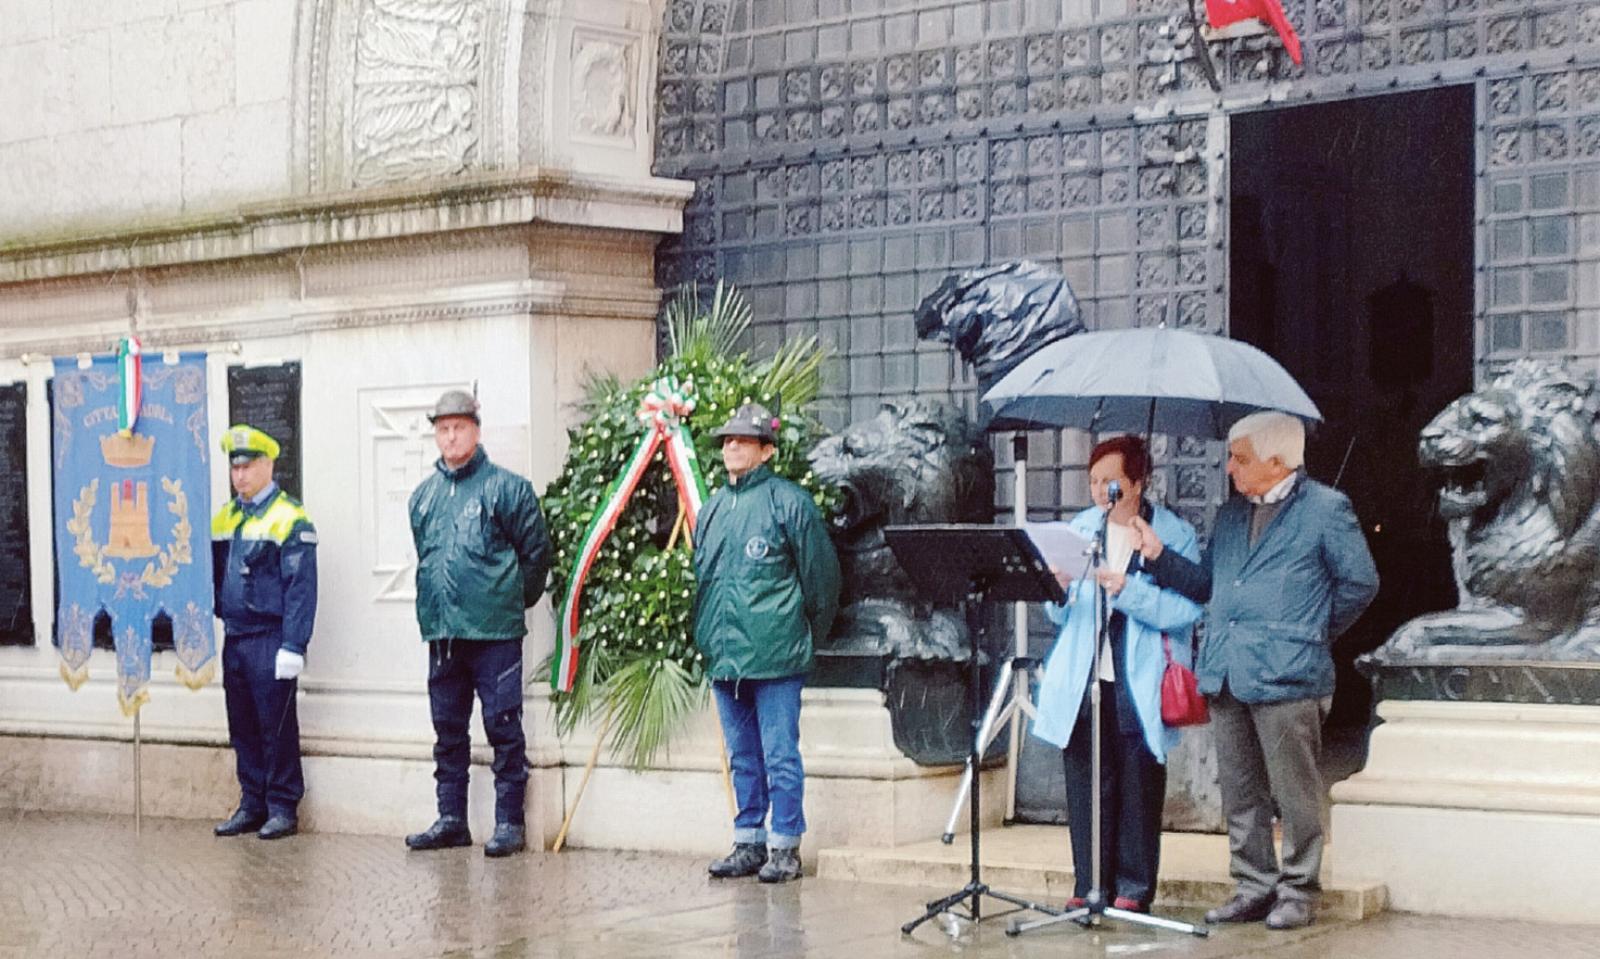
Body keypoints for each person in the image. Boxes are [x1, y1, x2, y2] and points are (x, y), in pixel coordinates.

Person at [1133, 411, 1378, 930]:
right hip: (1227, 670)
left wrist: (1309, 631)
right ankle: (1253, 884)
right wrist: (1158, 557)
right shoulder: (1229, 516)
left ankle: (1299, 888)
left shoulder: (1327, 510)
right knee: (1241, 791)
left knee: (1295, 790)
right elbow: (1208, 587)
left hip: (1289, 674)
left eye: (1240, 458)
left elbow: (1360, 583)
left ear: (1277, 460)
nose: (1229, 468)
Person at [1031, 435, 1206, 914]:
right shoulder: (1081, 528)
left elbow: (1184, 609)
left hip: (1139, 673)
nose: (1097, 491)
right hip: (1084, 671)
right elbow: (1059, 614)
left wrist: (1128, 590)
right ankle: (1089, 883)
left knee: (1136, 779)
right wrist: (1059, 589)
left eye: (1109, 482)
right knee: (1086, 778)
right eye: (1091, 481)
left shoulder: (1171, 532)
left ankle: (1133, 886)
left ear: (1136, 482)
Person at [693, 402, 841, 883]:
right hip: (725, 657)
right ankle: (749, 839)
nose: (731, 446)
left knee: (780, 754)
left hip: (776, 654)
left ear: (767, 451)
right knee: (742, 757)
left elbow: (821, 580)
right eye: (727, 440)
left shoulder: (789, 503)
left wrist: (802, 637)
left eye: (743, 440)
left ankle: (785, 845)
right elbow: (704, 581)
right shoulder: (712, 509)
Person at [405, 389, 552, 858]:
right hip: (443, 632)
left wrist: (506, 600)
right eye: (442, 429)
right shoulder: (422, 497)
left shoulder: (508, 489)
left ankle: (510, 822)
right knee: (447, 728)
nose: (450, 436)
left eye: (459, 427)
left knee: (502, 724)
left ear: (476, 430)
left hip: (494, 633)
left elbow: (536, 557)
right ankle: (451, 817)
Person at [211, 424, 318, 841]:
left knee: (275, 725)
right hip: (236, 636)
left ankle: (282, 806)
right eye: (235, 467)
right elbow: (218, 576)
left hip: (270, 637)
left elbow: (301, 588)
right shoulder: (226, 516)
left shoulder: (289, 517)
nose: (240, 475)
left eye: (249, 466)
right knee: (243, 725)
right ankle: (251, 802)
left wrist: (294, 644)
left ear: (268, 464)